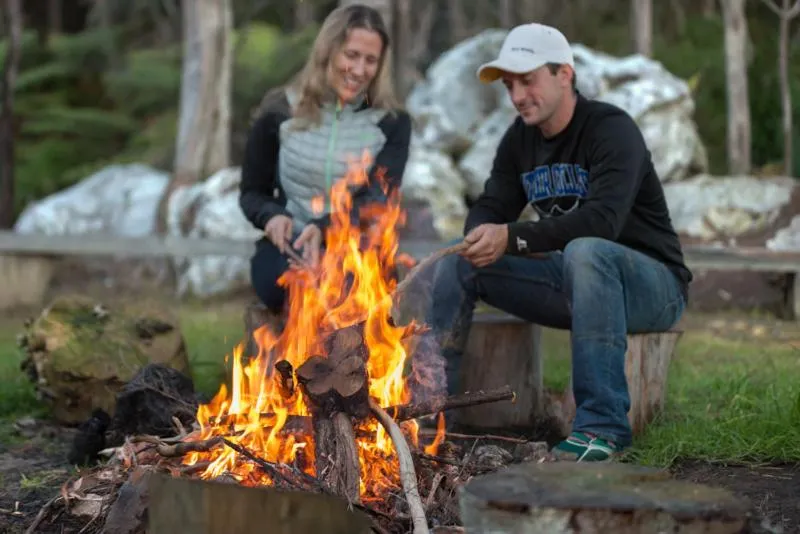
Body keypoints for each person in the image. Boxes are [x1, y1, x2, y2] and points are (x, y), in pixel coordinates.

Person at [425, 23, 692, 462]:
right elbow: (494, 203)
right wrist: (479, 233)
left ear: (564, 74)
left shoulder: (611, 129)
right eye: (510, 85)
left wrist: (513, 237)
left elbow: (603, 222)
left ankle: (601, 428)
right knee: (459, 259)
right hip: (575, 281)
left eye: (527, 80)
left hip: (653, 286)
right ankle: (431, 413)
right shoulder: (519, 138)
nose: (517, 95)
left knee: (587, 251)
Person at [239, 4, 412, 314]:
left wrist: (326, 229)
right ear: (327, 51)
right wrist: (271, 216)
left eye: (370, 60)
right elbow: (252, 192)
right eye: (351, 55)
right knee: (285, 285)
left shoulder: (393, 122)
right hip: (290, 247)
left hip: (358, 251)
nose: (359, 71)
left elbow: (377, 200)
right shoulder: (279, 109)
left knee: (351, 292)